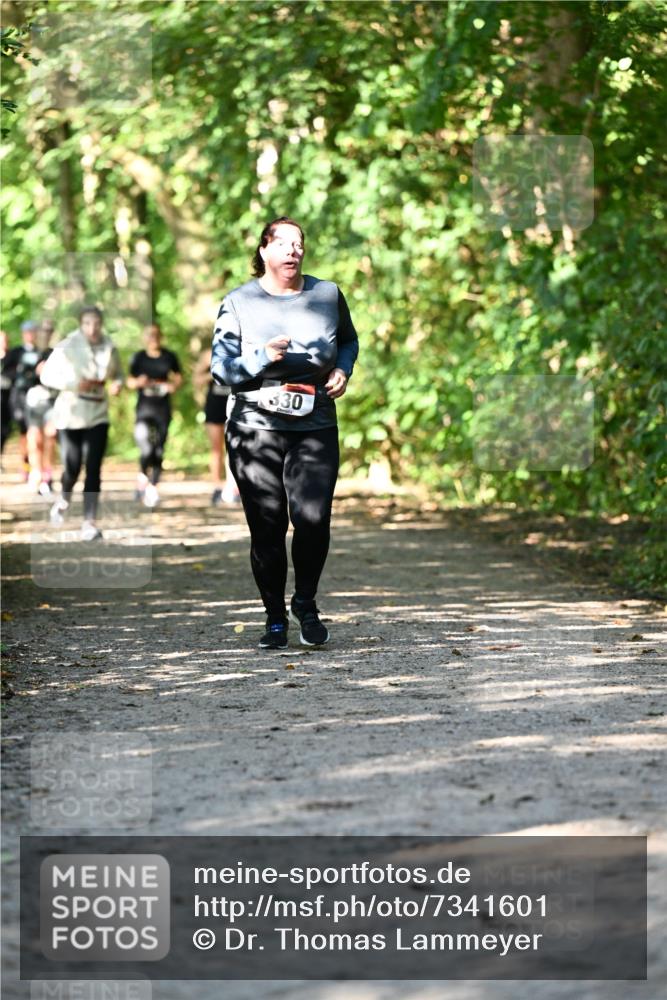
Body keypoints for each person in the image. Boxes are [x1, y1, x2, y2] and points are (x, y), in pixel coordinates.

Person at [211, 216, 359, 649]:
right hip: (254, 429)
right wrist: (260, 355)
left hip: (315, 423)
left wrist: (343, 369)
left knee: (313, 519)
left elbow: (348, 340)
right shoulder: (238, 302)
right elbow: (222, 368)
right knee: (268, 527)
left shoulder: (327, 294)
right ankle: (274, 616)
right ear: (264, 251)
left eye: (299, 243)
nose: (293, 250)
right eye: (283, 243)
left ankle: (306, 603)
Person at [39, 305, 123, 541]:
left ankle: (89, 521)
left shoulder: (109, 345)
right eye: (87, 323)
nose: (92, 328)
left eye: (96, 323)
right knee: (73, 467)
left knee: (94, 467)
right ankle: (64, 498)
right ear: (80, 324)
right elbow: (46, 375)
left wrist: (117, 384)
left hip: (98, 413)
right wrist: (75, 383)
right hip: (70, 414)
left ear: (102, 324)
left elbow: (118, 373)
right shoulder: (67, 345)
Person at [127, 324, 182, 508]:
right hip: (144, 409)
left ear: (161, 337)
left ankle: (152, 486)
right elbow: (129, 381)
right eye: (149, 335)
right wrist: (139, 382)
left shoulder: (169, 356)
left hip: (163, 409)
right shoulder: (139, 357)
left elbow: (179, 377)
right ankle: (143, 473)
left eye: (156, 335)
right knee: (145, 446)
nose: (153, 338)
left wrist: (173, 386)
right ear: (145, 338)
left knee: (159, 448)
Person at [193, 347, 240, 505]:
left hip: (236, 406)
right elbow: (197, 381)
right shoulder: (208, 354)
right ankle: (217, 487)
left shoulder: (242, 350)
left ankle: (233, 487)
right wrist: (213, 373)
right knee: (216, 449)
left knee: (234, 448)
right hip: (215, 406)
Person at [3, 320, 43, 479]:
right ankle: (25, 464)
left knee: (35, 430)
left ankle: (36, 466)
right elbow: (5, 371)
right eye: (28, 332)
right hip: (18, 396)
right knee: (23, 430)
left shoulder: (41, 352)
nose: (30, 335)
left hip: (36, 396)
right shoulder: (16, 352)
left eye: (33, 331)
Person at [24, 319, 58, 494]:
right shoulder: (27, 353)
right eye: (43, 330)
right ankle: (36, 471)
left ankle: (48, 475)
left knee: (51, 436)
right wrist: (34, 373)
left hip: (51, 401)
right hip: (32, 401)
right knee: (35, 439)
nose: (46, 334)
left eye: (49, 331)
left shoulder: (55, 353)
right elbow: (19, 376)